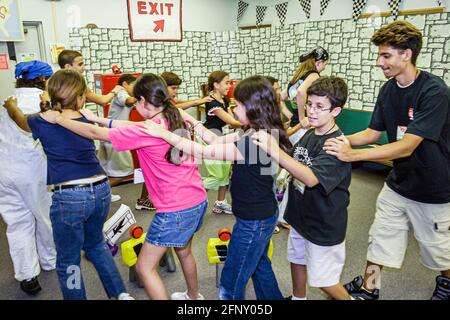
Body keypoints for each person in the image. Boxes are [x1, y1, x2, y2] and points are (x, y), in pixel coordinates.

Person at [40, 73, 208, 300]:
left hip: (175, 209)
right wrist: (98, 118)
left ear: (144, 101)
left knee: (145, 268)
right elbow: (131, 125)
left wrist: (59, 119)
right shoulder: (172, 115)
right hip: (197, 199)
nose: (136, 105)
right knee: (185, 251)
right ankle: (193, 296)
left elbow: (94, 134)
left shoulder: (146, 130)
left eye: (137, 101)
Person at [323, 20, 450, 300]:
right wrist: (336, 138)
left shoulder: (434, 91)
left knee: (438, 250)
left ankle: (447, 282)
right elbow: (373, 132)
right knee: (380, 239)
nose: (380, 62)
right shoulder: (389, 89)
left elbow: (406, 146)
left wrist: (352, 155)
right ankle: (370, 288)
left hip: (433, 187)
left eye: (386, 55)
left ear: (407, 54)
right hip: (398, 184)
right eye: (380, 55)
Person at [140, 75, 290, 300]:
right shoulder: (252, 131)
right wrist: (192, 121)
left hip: (254, 221)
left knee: (230, 284)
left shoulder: (255, 141)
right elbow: (214, 140)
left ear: (253, 108)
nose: (233, 108)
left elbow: (205, 152)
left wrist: (164, 134)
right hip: (261, 216)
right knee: (260, 267)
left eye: (237, 105)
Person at [4, 69, 133, 300]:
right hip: (101, 189)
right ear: (81, 98)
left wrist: (11, 105)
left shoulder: (40, 120)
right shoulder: (84, 116)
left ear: (50, 96)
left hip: (71, 196)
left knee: (68, 261)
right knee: (96, 245)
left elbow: (20, 120)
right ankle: (121, 295)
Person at [253, 76, 353, 300]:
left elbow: (310, 178)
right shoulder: (311, 133)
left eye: (320, 107)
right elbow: (291, 159)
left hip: (323, 223)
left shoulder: (336, 144)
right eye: (309, 104)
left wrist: (274, 150)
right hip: (300, 216)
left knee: (325, 281)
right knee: (297, 259)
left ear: (335, 111)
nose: (312, 111)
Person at [0, 60, 56, 295]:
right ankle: (50, 260)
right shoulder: (43, 102)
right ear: (43, 79)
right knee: (43, 216)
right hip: (32, 170)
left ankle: (27, 275)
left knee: (17, 223)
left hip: (5, 171)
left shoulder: (7, 101)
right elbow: (32, 129)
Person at [202, 70, 242, 215]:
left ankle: (220, 202)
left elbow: (232, 123)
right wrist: (254, 123)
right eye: (226, 83)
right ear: (216, 85)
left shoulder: (224, 100)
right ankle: (193, 194)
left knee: (225, 172)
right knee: (217, 176)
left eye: (230, 82)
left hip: (223, 138)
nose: (229, 86)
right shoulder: (212, 103)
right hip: (211, 139)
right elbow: (232, 122)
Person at [97, 73, 137, 203]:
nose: (135, 89)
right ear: (125, 84)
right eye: (134, 86)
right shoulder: (121, 91)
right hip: (116, 136)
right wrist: (144, 94)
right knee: (125, 171)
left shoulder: (122, 93)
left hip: (107, 134)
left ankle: (105, 193)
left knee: (104, 169)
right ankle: (97, 192)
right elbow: (129, 101)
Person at [281, 47, 329, 141]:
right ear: (319, 63)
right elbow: (301, 91)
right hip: (304, 128)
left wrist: (290, 115)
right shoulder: (314, 75)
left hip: (293, 127)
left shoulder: (297, 78)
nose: (324, 68)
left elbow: (279, 98)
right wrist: (302, 118)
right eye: (325, 64)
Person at [57, 50, 123, 105]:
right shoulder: (77, 83)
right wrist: (116, 89)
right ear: (68, 66)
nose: (84, 68)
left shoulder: (56, 81)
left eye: (83, 64)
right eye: (80, 64)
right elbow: (103, 101)